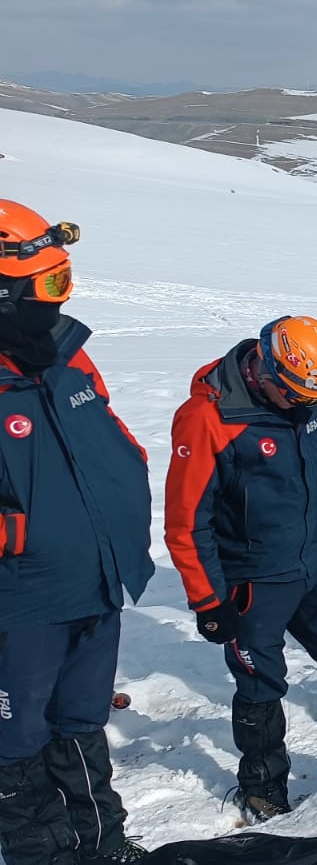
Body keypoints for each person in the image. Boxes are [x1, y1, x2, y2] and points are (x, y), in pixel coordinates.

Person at [166, 316, 317, 822]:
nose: (310, 409)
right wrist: (208, 601)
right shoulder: (208, 419)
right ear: (265, 372)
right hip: (253, 581)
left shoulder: (306, 401)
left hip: (311, 565)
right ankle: (263, 787)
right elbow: (186, 522)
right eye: (298, 398)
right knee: (260, 684)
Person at [0, 202, 153, 864]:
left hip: (97, 581)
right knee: (16, 739)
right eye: (53, 286)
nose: (65, 301)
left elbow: (114, 447)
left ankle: (103, 847)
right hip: (24, 602)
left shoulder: (69, 361)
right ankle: (39, 854)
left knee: (81, 724)